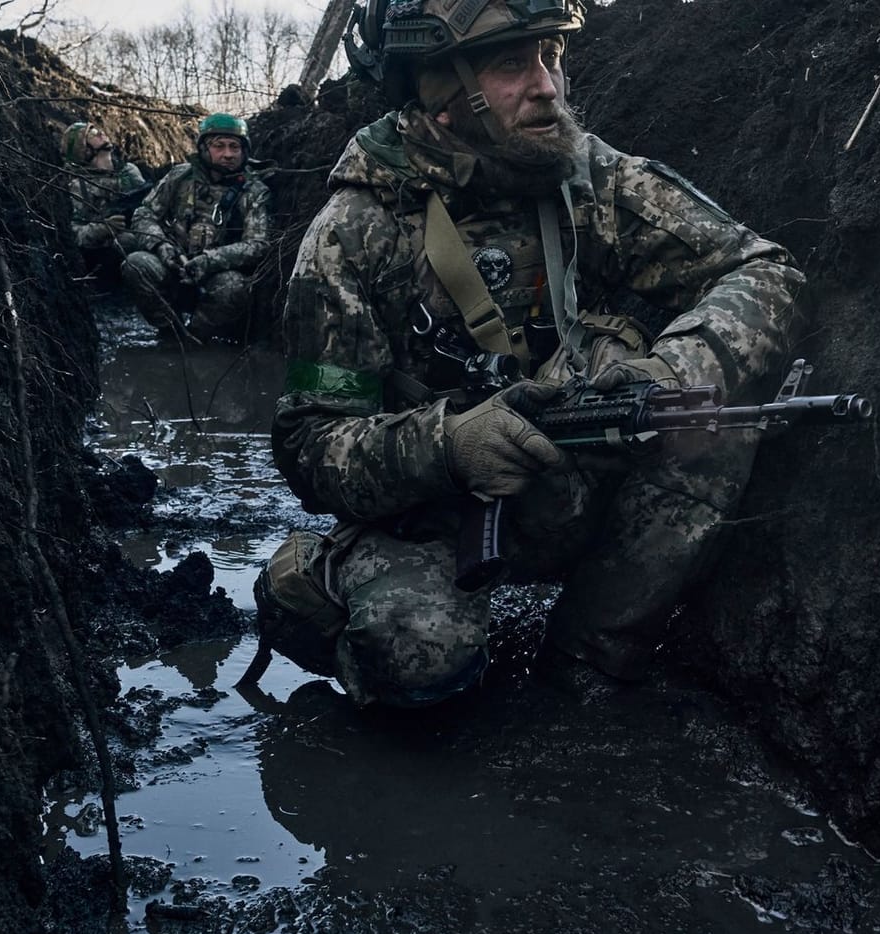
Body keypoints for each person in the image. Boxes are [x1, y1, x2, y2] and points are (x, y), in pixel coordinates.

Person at [250, 0, 804, 709]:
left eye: (551, 56)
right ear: (441, 91)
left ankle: (587, 664)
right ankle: (311, 588)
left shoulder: (584, 177)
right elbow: (310, 444)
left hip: (569, 476)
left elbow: (763, 270)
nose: (547, 85)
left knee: (709, 424)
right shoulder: (353, 233)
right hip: (428, 519)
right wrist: (450, 445)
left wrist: (669, 373)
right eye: (513, 63)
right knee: (415, 653)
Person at [121, 113, 273, 341]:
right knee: (136, 264)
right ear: (204, 148)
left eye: (234, 147)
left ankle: (197, 340)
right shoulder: (179, 177)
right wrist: (162, 247)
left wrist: (210, 261)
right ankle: (171, 334)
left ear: (244, 151)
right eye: (219, 146)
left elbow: (258, 244)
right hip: (172, 267)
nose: (228, 154)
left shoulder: (254, 191)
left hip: (217, 277)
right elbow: (145, 214)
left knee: (235, 287)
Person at [61, 121, 148, 263]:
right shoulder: (79, 186)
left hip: (143, 228)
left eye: (98, 129)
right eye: (93, 134)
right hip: (109, 251)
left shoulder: (129, 171)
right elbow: (74, 235)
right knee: (127, 241)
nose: (101, 133)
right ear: (84, 149)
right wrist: (103, 228)